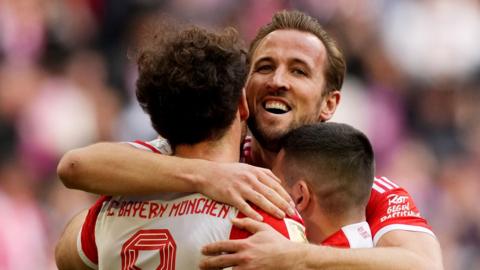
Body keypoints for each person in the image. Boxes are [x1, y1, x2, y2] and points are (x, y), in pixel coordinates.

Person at [57, 10, 443, 269]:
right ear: (243, 90)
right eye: (264, 67)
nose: (277, 81)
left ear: (329, 103)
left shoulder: (362, 185)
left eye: (298, 71)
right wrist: (207, 177)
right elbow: (77, 167)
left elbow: (423, 264)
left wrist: (298, 256)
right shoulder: (184, 154)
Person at [55, 24, 307, 269]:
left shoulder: (114, 205)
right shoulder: (259, 213)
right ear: (242, 103)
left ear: (159, 122)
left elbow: (65, 257)